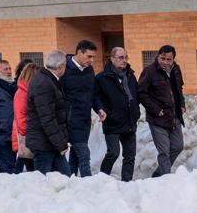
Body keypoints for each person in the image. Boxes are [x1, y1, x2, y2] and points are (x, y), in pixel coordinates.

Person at [137, 45, 186, 177]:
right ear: (158, 56)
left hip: (174, 116)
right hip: (157, 118)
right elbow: (141, 93)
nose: (165, 62)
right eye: (162, 58)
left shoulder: (176, 70)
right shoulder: (149, 71)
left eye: (168, 59)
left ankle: (159, 174)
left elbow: (179, 88)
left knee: (177, 146)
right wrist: (156, 109)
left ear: (173, 59)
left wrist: (181, 104)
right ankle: (166, 179)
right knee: (164, 151)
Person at [94, 47, 140, 181]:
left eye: (125, 57)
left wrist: (136, 111)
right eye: (120, 57)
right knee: (113, 153)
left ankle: (127, 182)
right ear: (112, 59)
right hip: (113, 121)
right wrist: (102, 110)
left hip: (130, 120)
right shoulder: (102, 78)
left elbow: (136, 94)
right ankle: (102, 179)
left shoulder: (130, 76)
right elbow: (96, 98)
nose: (124, 60)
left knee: (130, 155)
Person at [27, 50, 71, 175]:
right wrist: (61, 144)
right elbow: (47, 118)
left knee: (64, 179)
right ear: (61, 66)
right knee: (43, 183)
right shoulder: (44, 83)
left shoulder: (47, 80)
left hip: (50, 143)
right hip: (44, 144)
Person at [62, 40, 97, 177]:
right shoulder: (65, 68)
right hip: (71, 118)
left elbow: (92, 93)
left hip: (85, 118)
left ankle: (71, 181)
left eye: (93, 57)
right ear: (79, 53)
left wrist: (99, 108)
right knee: (84, 154)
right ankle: (87, 183)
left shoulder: (89, 70)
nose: (92, 60)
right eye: (89, 56)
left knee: (76, 155)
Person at [12, 62, 37, 173]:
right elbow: (21, 118)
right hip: (26, 136)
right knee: (31, 167)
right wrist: (29, 133)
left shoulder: (28, 91)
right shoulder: (22, 93)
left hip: (29, 135)